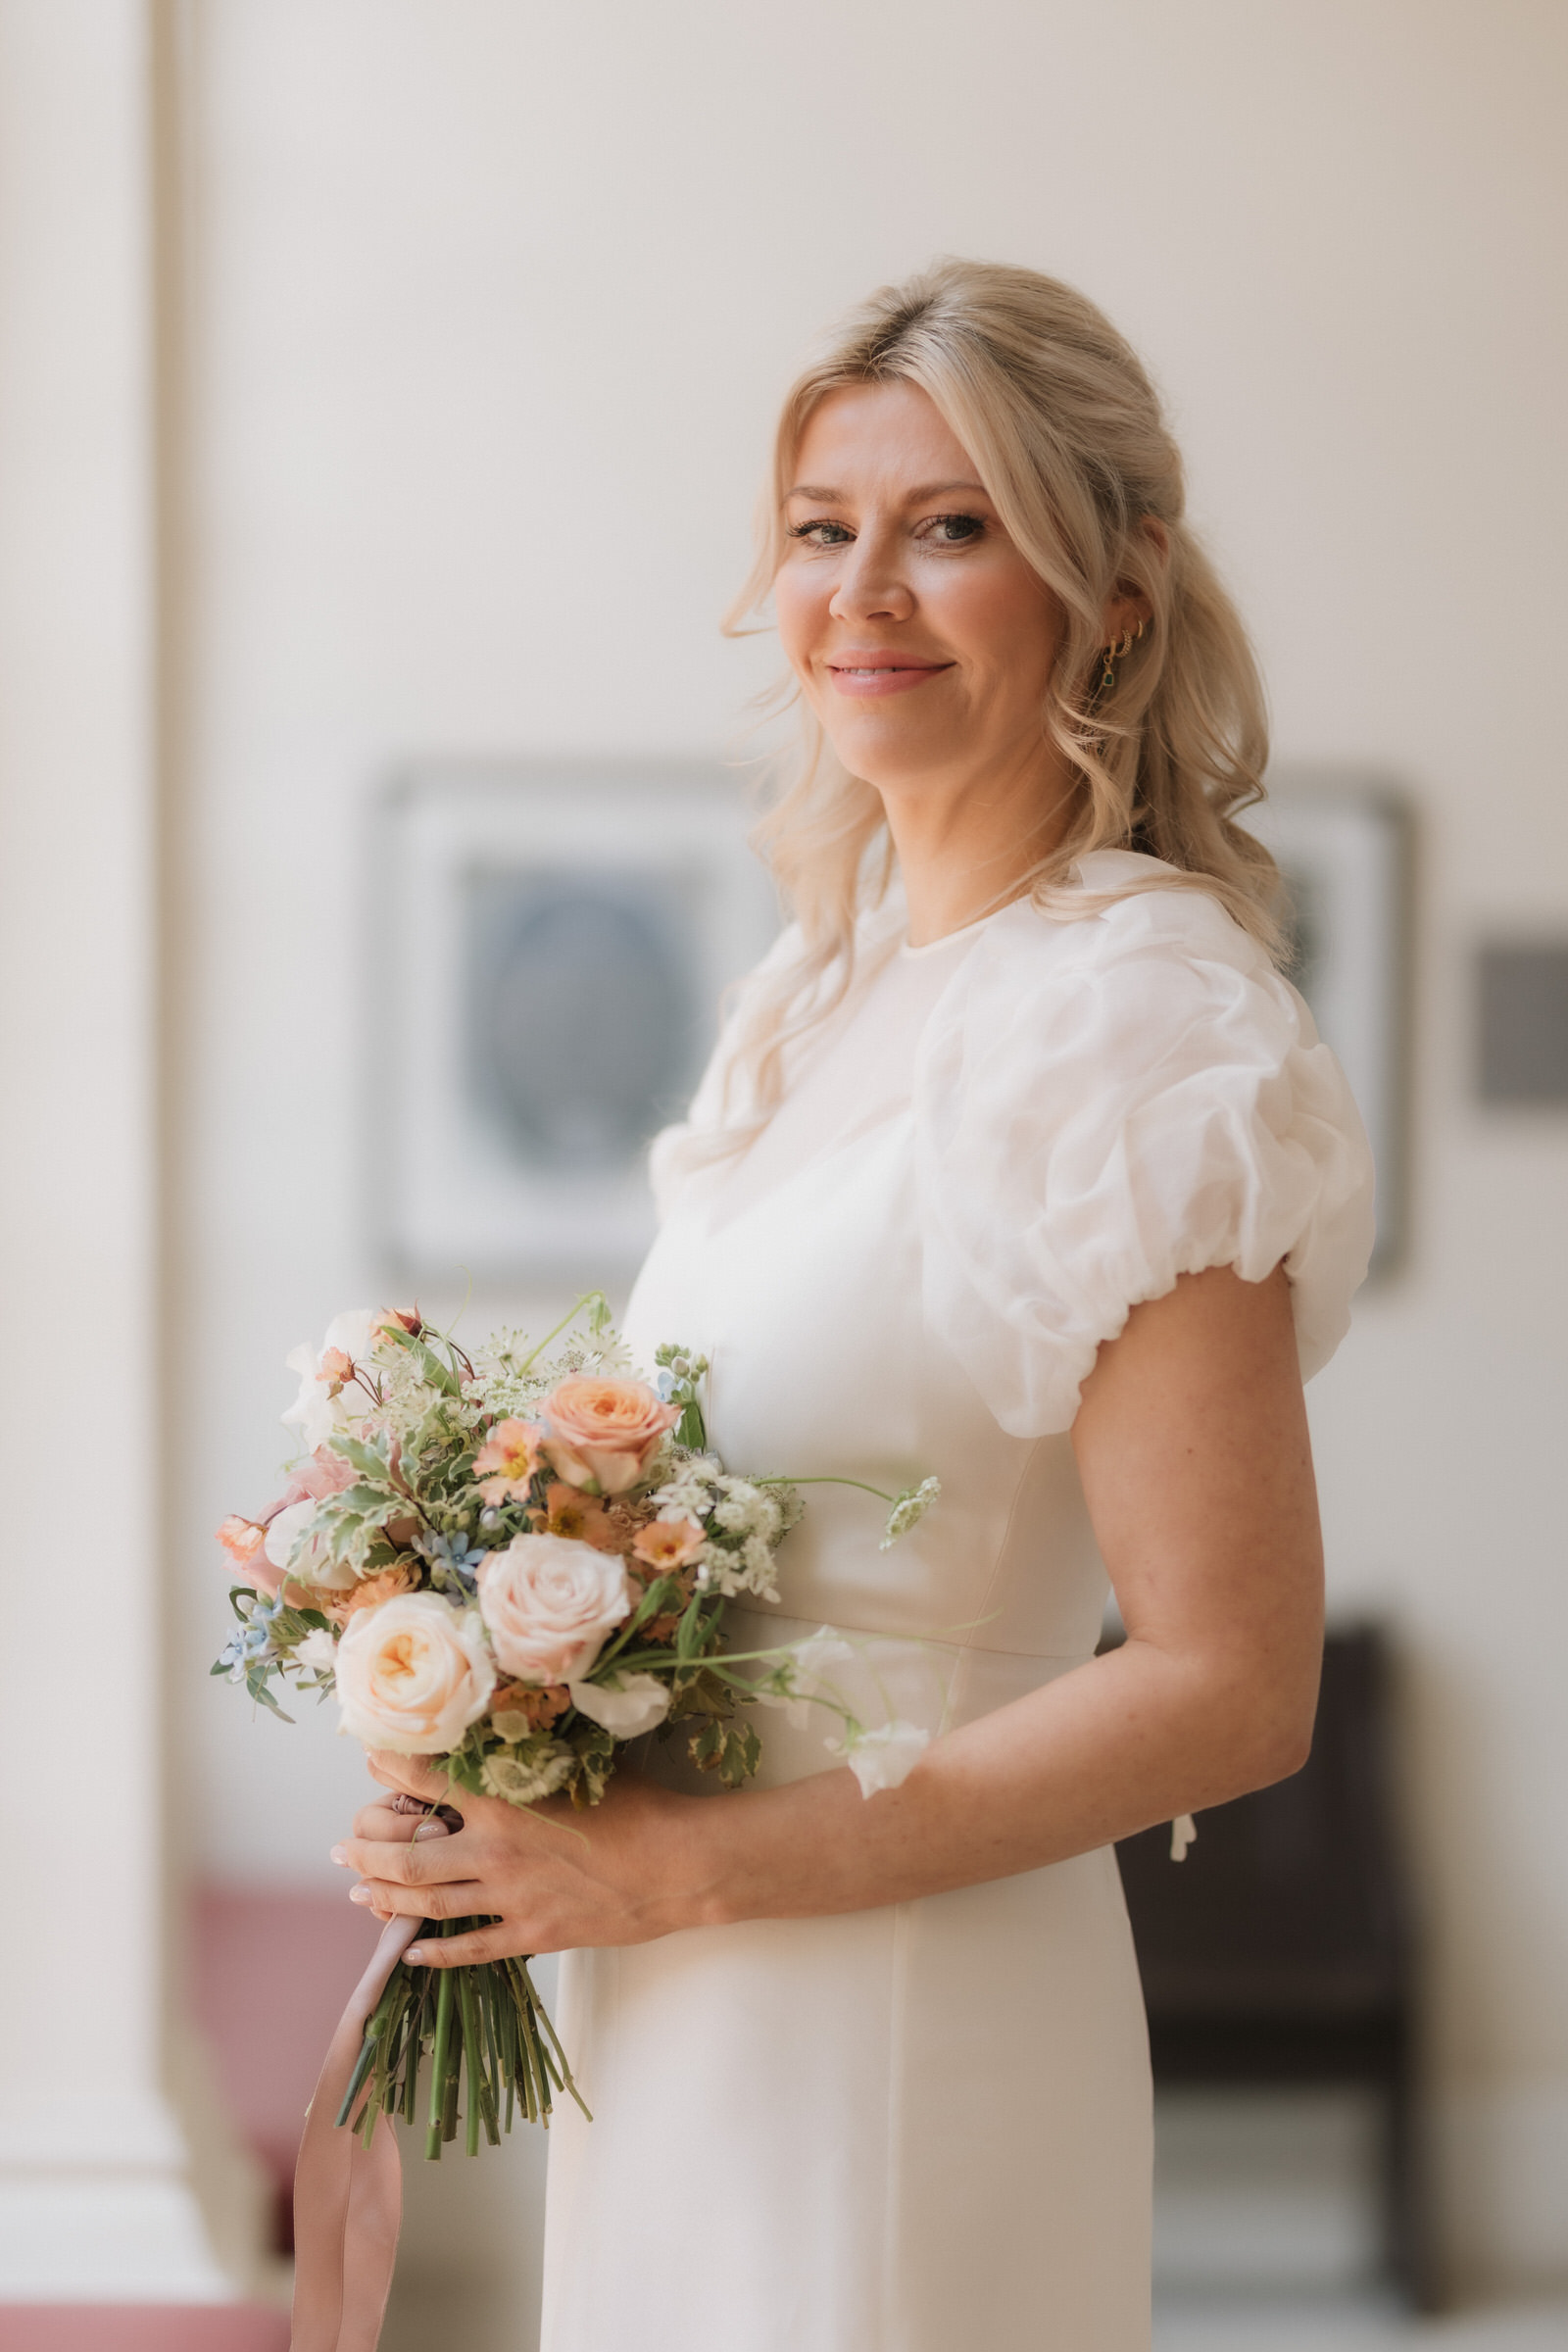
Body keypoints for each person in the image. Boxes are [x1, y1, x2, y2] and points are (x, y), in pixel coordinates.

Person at [335, 259, 1375, 2349]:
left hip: (903, 2010)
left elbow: (1230, 1683)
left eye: (952, 525)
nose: (862, 591)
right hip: (668, 2003)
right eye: (824, 528)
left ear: (1116, 586)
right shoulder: (813, 999)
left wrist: (686, 1870)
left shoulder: (1150, 1027)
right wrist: (501, 1730)